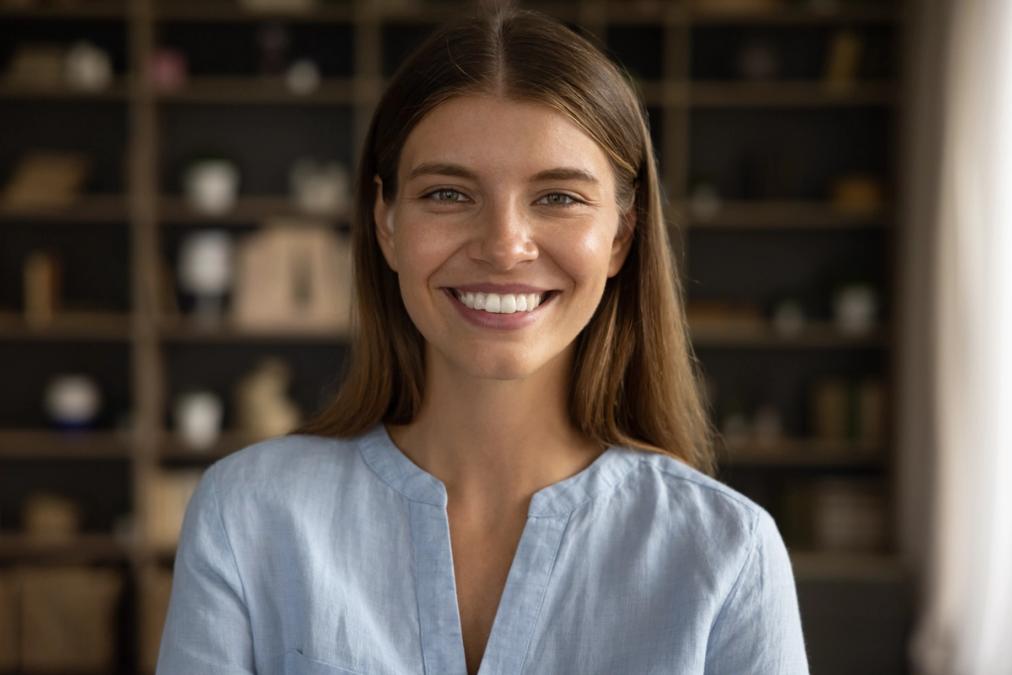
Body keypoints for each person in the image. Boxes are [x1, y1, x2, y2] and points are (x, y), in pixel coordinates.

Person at [156, 5, 809, 675]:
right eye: (446, 193)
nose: (503, 247)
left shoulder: (728, 552)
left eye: (558, 197)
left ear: (621, 234)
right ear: (386, 223)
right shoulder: (247, 515)